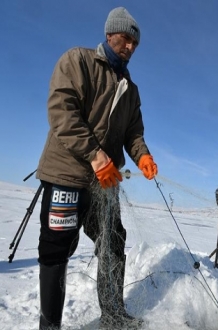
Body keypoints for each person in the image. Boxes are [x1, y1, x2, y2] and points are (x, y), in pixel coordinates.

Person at [36, 7, 158, 330]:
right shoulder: (78, 61)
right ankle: (49, 327)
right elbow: (61, 110)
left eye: (136, 43)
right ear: (109, 34)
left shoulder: (131, 90)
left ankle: (114, 316)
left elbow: (134, 134)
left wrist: (142, 155)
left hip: (104, 184)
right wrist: (95, 155)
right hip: (67, 175)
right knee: (56, 250)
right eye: (126, 39)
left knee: (113, 242)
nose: (131, 46)